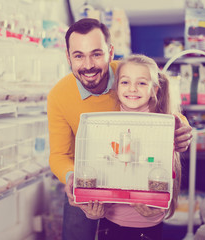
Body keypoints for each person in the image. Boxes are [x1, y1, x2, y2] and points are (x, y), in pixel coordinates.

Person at [47, 18, 192, 240]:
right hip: (90, 181)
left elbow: (161, 106)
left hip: (136, 180)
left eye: (96, 54)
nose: (88, 65)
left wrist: (181, 125)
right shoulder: (59, 95)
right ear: (68, 57)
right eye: (78, 55)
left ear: (111, 52)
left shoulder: (128, 75)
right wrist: (72, 178)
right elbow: (59, 155)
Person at [78, 54, 182, 240]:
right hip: (109, 223)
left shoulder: (165, 126)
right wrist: (93, 210)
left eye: (142, 83)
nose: (132, 88)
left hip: (147, 226)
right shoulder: (103, 125)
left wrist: (157, 210)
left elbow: (164, 177)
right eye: (125, 82)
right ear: (117, 87)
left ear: (154, 89)